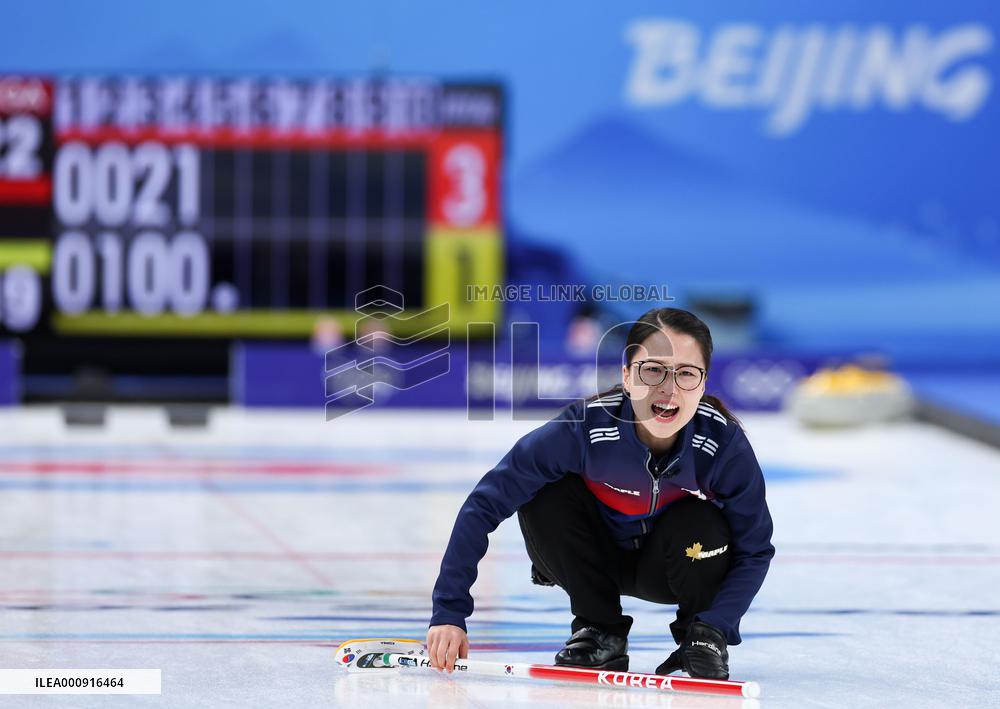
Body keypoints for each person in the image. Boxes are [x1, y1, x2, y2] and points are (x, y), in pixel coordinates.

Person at [427, 307, 774, 679]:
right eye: (653, 370)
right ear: (626, 376)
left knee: (704, 520)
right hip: (588, 559)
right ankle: (599, 631)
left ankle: (697, 639)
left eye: (686, 374)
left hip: (669, 567)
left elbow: (754, 548)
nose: (669, 389)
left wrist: (715, 626)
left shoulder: (721, 444)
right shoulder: (583, 428)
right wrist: (449, 613)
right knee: (545, 492)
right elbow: (484, 505)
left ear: (703, 384)